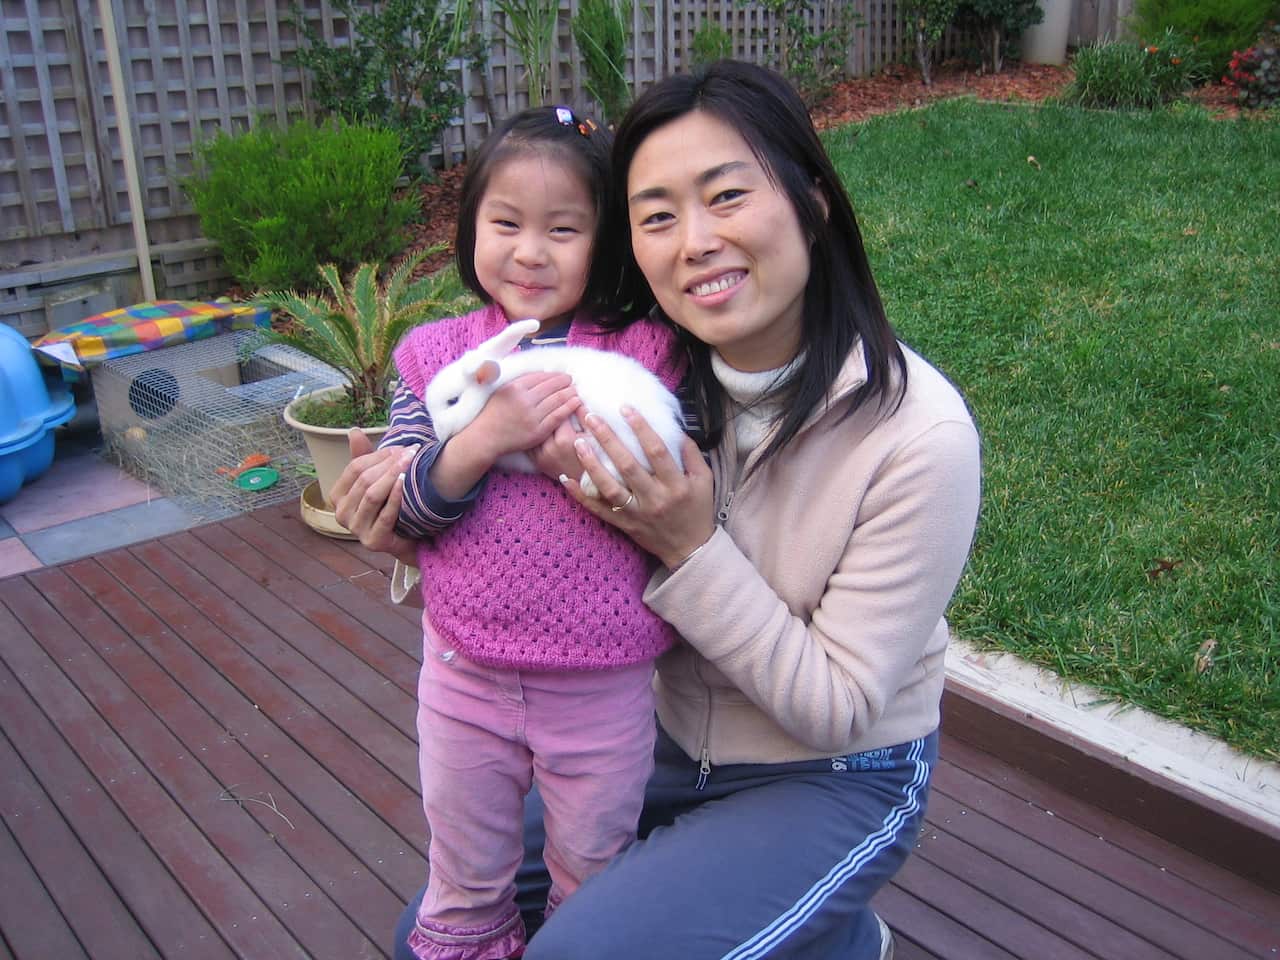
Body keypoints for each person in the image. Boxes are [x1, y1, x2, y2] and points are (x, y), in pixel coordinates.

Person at [345, 60, 980, 960]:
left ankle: (828, 930)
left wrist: (689, 545)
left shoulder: (918, 435)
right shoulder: (642, 367)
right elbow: (500, 507)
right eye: (656, 216)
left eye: (726, 196)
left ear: (813, 199)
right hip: (662, 743)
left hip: (833, 773)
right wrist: (404, 512)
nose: (695, 242)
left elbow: (838, 708)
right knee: (436, 930)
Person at [331, 105, 689, 960]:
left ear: (606, 243)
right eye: (506, 223)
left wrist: (575, 455)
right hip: (465, 675)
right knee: (465, 868)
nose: (531, 251)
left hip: (603, 683)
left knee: (593, 867)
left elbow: (671, 484)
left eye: (564, 229)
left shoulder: (648, 352)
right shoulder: (431, 356)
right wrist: (484, 438)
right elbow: (407, 511)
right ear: (471, 230)